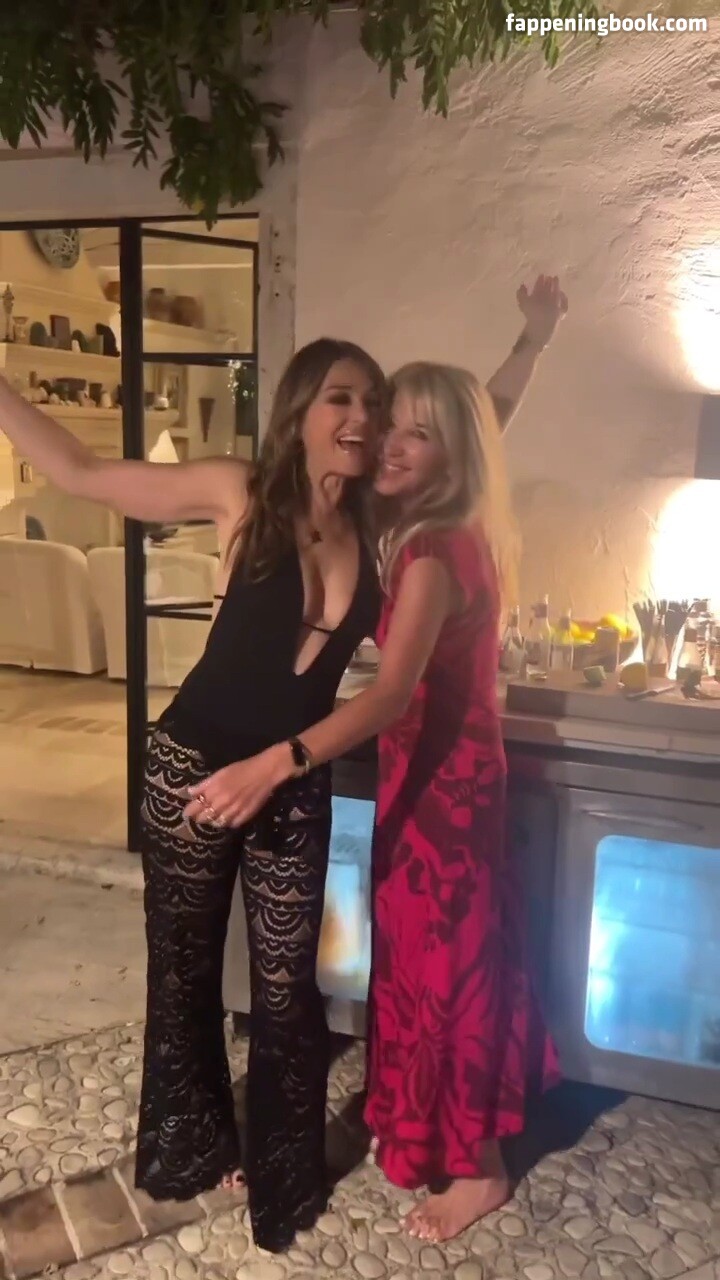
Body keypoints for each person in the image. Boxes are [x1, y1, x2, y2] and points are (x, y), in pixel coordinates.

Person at [0, 274, 563, 1253]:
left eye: (373, 404)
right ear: (301, 411)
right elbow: (82, 470)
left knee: (288, 986)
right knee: (183, 975)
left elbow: (477, 423)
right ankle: (193, 1145)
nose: (363, 419)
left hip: (289, 781)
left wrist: (535, 338)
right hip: (192, 764)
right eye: (342, 398)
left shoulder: (381, 523)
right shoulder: (239, 491)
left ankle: (284, 1166)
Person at [182, 282, 568, 1243]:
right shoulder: (451, 525)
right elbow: (483, 414)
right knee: (441, 963)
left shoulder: (431, 551)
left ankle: (479, 1170)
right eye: (387, 423)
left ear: (451, 455)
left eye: (412, 435)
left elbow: (392, 697)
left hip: (441, 797)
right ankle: (426, 1120)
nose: (387, 443)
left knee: (448, 974)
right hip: (450, 787)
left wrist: (277, 761)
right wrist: (534, 339)